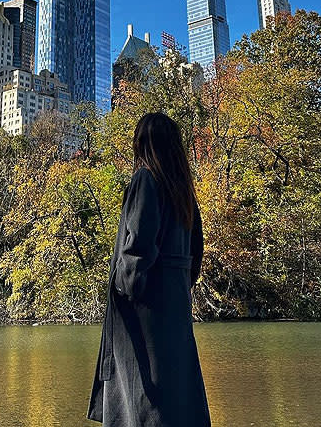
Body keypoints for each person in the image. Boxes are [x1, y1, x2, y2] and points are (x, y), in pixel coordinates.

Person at [87, 112, 211, 426]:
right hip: (174, 307)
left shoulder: (146, 178)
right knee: (176, 396)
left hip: (144, 311)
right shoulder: (183, 191)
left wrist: (124, 286)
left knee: (144, 397)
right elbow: (196, 252)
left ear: (144, 144)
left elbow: (138, 244)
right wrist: (178, 287)